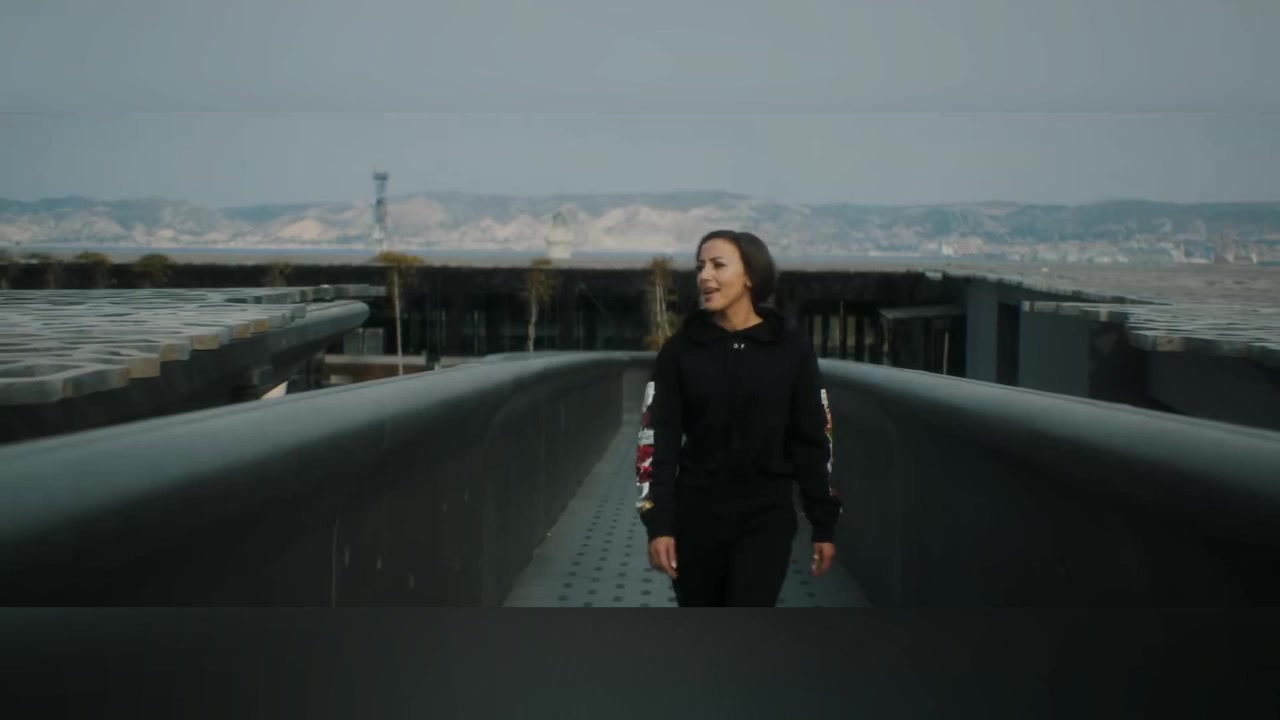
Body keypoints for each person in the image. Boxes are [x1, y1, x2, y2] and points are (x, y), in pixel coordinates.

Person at [635, 229, 842, 607]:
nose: (705, 276)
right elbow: (656, 439)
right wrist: (659, 525)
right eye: (700, 267)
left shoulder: (791, 348)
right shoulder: (679, 351)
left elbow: (813, 439)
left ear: (750, 275)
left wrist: (823, 523)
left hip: (767, 519)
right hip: (696, 519)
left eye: (718, 265)